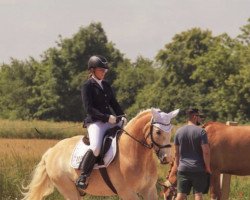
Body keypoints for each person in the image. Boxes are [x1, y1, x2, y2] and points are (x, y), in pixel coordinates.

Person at [75, 55, 126, 190]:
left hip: (109, 121)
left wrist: (122, 115)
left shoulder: (106, 85)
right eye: (101, 70)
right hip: (95, 122)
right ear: (92, 70)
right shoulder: (87, 86)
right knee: (96, 148)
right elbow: (89, 109)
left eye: (105, 70)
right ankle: (83, 176)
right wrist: (107, 117)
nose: (103, 72)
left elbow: (113, 103)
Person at [174, 108, 211, 200]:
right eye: (199, 116)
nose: (200, 119)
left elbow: (176, 153)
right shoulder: (201, 132)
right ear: (194, 116)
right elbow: (206, 152)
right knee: (198, 194)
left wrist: (178, 166)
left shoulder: (178, 132)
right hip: (198, 169)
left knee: (180, 195)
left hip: (183, 169)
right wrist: (207, 167)